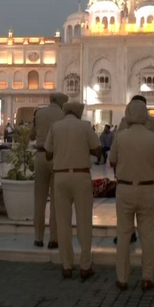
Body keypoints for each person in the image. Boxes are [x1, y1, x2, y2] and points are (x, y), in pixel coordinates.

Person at [110, 100, 154, 291]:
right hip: (147, 189)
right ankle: (147, 277)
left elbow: (112, 160)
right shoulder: (152, 138)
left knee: (124, 235)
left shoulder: (120, 136)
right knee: (147, 235)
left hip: (124, 189)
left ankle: (122, 278)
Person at [45, 102, 101, 280]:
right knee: (84, 221)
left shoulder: (56, 127)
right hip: (81, 176)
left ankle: (67, 265)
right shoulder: (84, 126)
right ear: (79, 113)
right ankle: (85, 265)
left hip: (60, 177)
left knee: (63, 223)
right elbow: (97, 150)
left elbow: (47, 153)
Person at [30, 93, 68, 249]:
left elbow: (31, 135)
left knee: (39, 200)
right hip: (56, 158)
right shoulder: (63, 115)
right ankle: (54, 238)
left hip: (40, 155)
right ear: (61, 102)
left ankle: (38, 237)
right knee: (55, 200)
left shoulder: (39, 113)